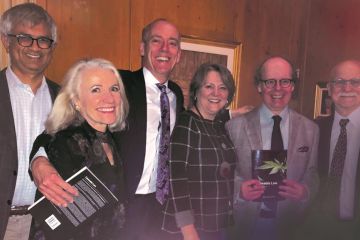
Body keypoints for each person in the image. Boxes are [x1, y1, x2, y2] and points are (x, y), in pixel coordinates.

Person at [29, 18, 251, 240]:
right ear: (142, 48)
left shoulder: (175, 93)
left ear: (179, 54)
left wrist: (229, 114)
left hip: (163, 207)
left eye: (172, 43)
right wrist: (38, 160)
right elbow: (61, 125)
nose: (165, 49)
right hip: (123, 203)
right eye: (157, 41)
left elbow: (197, 118)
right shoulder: (119, 85)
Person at [29, 58, 128, 240]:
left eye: (114, 89)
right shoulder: (65, 143)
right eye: (95, 89)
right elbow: (53, 224)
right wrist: (37, 160)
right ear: (76, 101)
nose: (109, 98)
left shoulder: (114, 139)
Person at [226, 56, 319, 240]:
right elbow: (225, 173)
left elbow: (312, 173)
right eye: (270, 82)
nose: (278, 88)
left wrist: (305, 191)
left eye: (285, 81)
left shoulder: (311, 129)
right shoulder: (234, 126)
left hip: (290, 227)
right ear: (259, 86)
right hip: (244, 226)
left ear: (292, 86)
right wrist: (238, 191)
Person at [0, 3, 59, 240]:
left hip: (49, 224)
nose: (35, 47)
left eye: (44, 40)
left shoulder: (66, 100)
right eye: (25, 38)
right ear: (6, 40)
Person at [162, 63, 237, 240]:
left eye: (222, 88)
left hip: (217, 223)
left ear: (228, 95)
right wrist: (188, 230)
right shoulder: (187, 124)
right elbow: (177, 179)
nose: (216, 93)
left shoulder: (219, 126)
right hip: (191, 229)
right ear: (196, 92)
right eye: (209, 86)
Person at [301, 60, 360, 240]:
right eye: (340, 81)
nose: (347, 87)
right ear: (329, 87)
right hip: (315, 229)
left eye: (356, 82)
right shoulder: (312, 130)